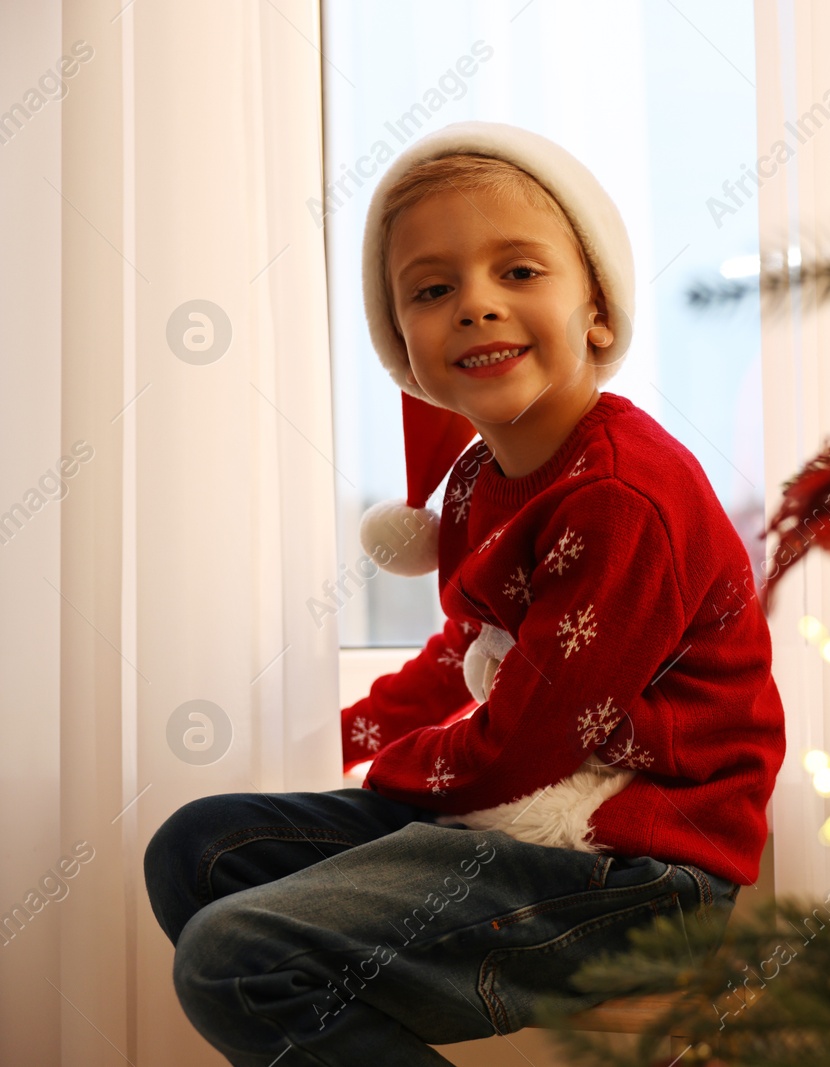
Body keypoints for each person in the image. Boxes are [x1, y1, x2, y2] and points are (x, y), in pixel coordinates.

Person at [143, 121, 786, 1065]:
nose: (477, 306)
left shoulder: (620, 496)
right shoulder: (486, 477)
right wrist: (362, 730)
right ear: (405, 350)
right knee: (200, 847)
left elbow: (534, 732)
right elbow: (470, 649)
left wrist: (393, 776)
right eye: (434, 290)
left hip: (637, 866)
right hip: (524, 808)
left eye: (519, 273)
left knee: (232, 957)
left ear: (597, 313)